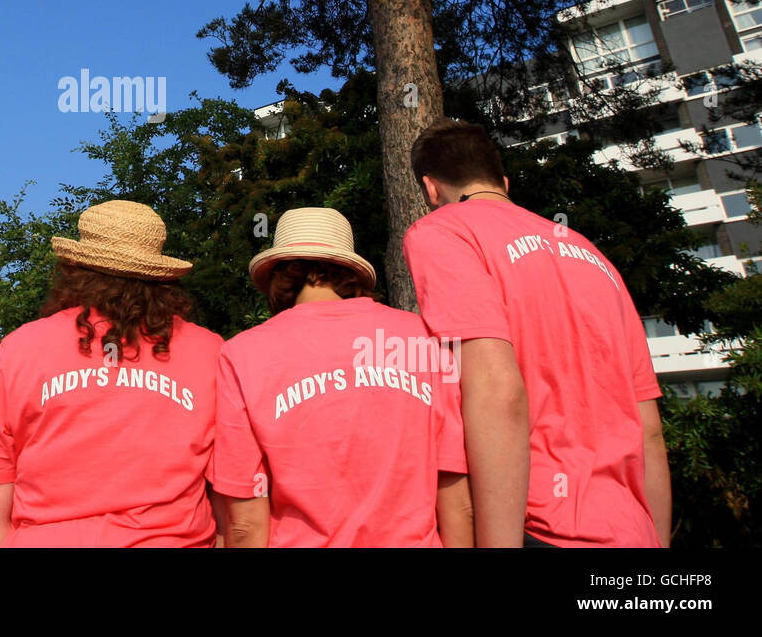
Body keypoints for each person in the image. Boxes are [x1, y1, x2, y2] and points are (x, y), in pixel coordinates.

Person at [403, 118, 671, 548]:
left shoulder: (443, 231)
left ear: (431, 188)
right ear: (503, 181)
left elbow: (498, 392)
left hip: (540, 527)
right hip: (633, 529)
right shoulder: (589, 251)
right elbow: (649, 427)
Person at [0, 200, 224, 547]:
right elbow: (233, 495)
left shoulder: (21, 348)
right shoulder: (211, 352)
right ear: (163, 278)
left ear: (74, 270)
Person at [213, 207, 470, 547]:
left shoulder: (241, 354)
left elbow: (245, 524)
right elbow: (457, 499)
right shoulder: (424, 339)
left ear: (279, 276)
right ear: (350, 271)